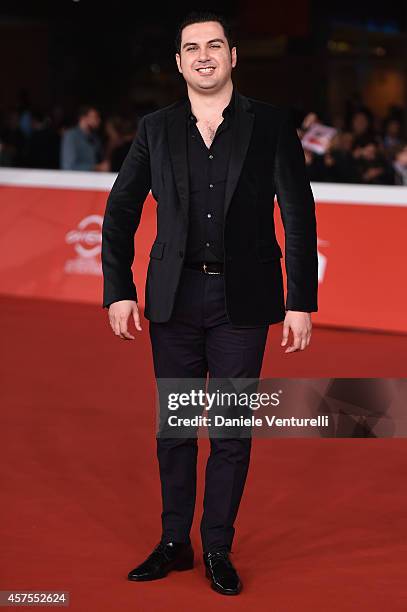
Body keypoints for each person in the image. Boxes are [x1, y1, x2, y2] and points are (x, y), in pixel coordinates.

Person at [101, 10, 318, 596]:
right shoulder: (155, 128)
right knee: (175, 429)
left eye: (215, 45)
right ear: (178, 62)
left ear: (232, 56)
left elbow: (297, 213)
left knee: (228, 432)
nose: (204, 55)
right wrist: (118, 289)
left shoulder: (270, 124)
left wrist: (301, 301)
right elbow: (120, 212)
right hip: (173, 297)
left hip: (240, 302)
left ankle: (217, 547)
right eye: (192, 47)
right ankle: (175, 542)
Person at [60, 104, 108, 171]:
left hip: (95, 179)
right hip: (76, 179)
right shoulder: (71, 136)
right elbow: (68, 166)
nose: (99, 120)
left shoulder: (96, 139)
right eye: (95, 117)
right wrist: (96, 167)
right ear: (83, 118)